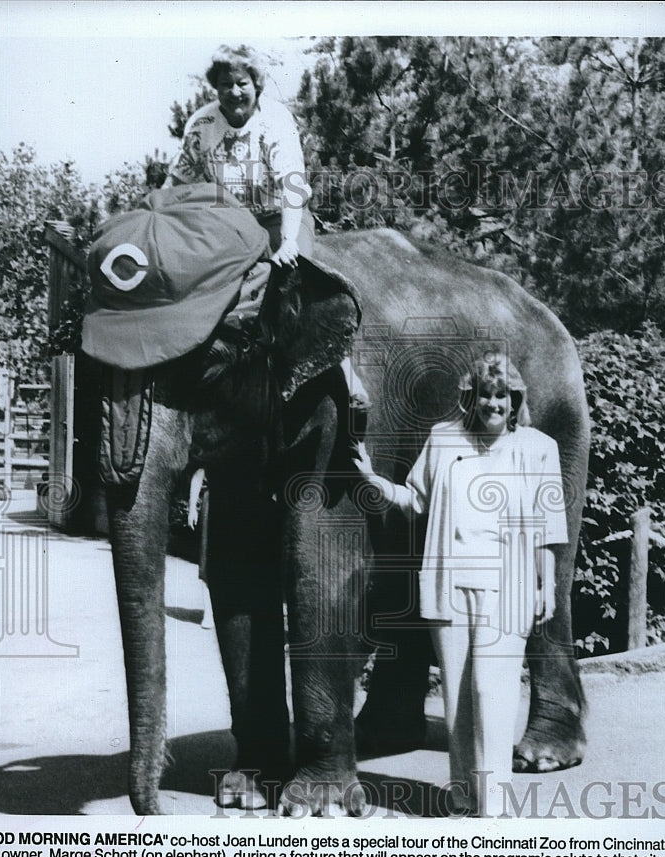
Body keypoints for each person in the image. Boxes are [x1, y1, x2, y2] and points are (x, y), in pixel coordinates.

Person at [353, 353, 569, 817]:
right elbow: (415, 500)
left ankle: (495, 807)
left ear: (516, 401)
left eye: (503, 396)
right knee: (459, 697)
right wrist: (372, 478)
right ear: (471, 398)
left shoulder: (538, 447)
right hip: (448, 584)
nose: (494, 404)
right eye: (485, 395)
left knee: (494, 691)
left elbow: (548, 524)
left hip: (508, 589)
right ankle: (464, 798)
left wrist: (546, 585)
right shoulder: (443, 439)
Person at [164, 43, 368, 407]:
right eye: (225, 84)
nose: (234, 92)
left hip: (279, 216)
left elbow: (292, 183)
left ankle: (343, 373)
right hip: (231, 226)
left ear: (256, 84)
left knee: (295, 285)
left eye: (241, 82)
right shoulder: (203, 124)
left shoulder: (274, 120)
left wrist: (288, 241)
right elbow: (176, 183)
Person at [188, 467, 213, 629]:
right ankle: (209, 613)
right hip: (214, 502)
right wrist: (192, 510)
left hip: (243, 503)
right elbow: (198, 474)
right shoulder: (213, 443)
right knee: (207, 558)